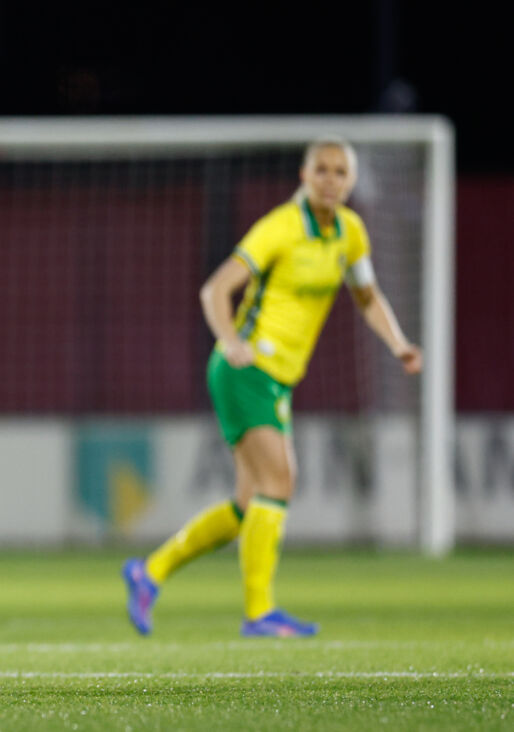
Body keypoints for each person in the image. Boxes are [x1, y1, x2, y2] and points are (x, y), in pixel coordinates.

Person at [122, 137, 423, 637]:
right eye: (321, 170)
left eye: (339, 172)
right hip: (246, 370)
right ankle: (258, 613)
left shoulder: (351, 232)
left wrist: (398, 344)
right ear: (304, 177)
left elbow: (367, 297)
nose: (330, 180)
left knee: (249, 504)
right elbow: (215, 289)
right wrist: (231, 340)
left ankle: (148, 573)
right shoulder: (280, 228)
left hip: (278, 379)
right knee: (280, 482)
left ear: (350, 182)